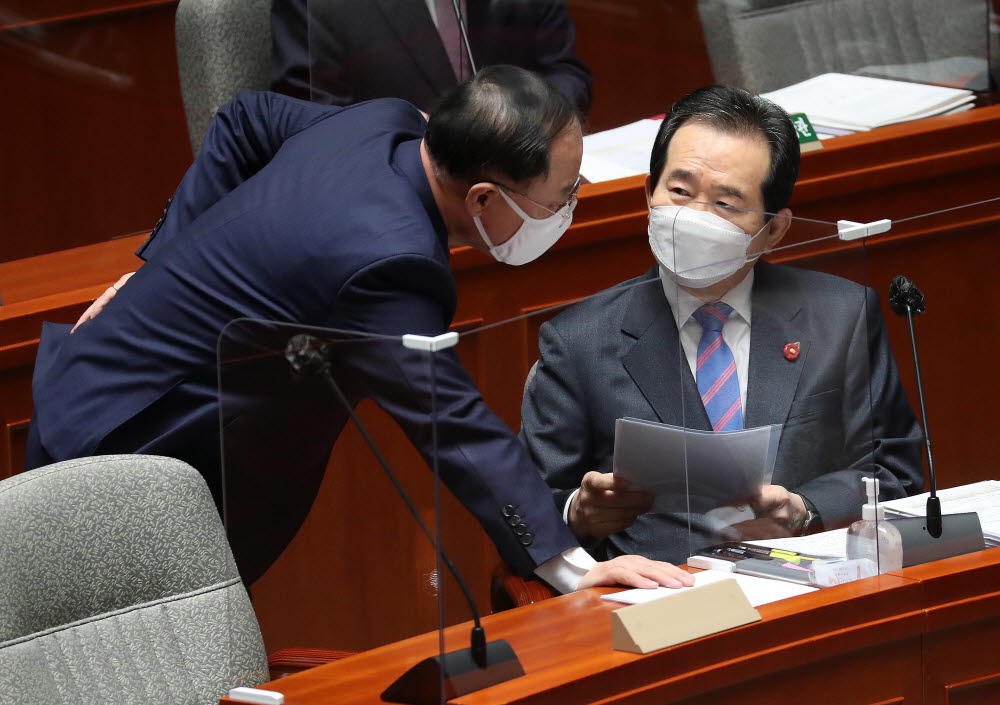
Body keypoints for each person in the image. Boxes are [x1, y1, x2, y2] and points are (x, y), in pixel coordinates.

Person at [26, 66, 691, 594]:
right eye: (560, 198)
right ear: (485, 199)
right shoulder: (387, 263)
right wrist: (569, 565)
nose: (569, 209)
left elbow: (246, 119)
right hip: (123, 455)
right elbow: (455, 427)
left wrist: (159, 263)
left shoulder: (389, 122)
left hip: (99, 389)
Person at [519, 85, 924, 564]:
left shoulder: (842, 315)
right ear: (648, 195)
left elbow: (897, 472)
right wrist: (579, 513)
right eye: (679, 190)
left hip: (811, 592)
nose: (692, 217)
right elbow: (531, 509)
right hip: (663, 605)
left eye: (726, 204)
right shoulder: (579, 340)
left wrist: (807, 509)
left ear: (774, 229)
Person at [270, 0, 592, 115]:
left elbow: (565, 72)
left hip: (525, 181)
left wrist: (525, 122)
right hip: (396, 204)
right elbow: (313, 117)